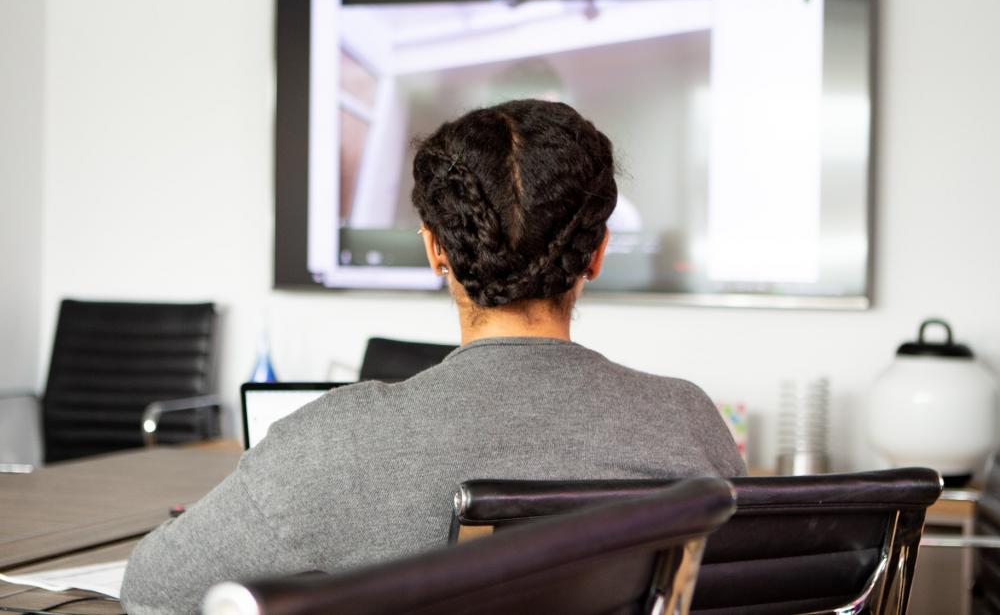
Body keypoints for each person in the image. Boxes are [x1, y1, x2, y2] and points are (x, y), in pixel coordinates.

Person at [120, 99, 744, 614]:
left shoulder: (334, 440)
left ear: (435, 251)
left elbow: (152, 589)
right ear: (598, 252)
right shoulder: (687, 420)